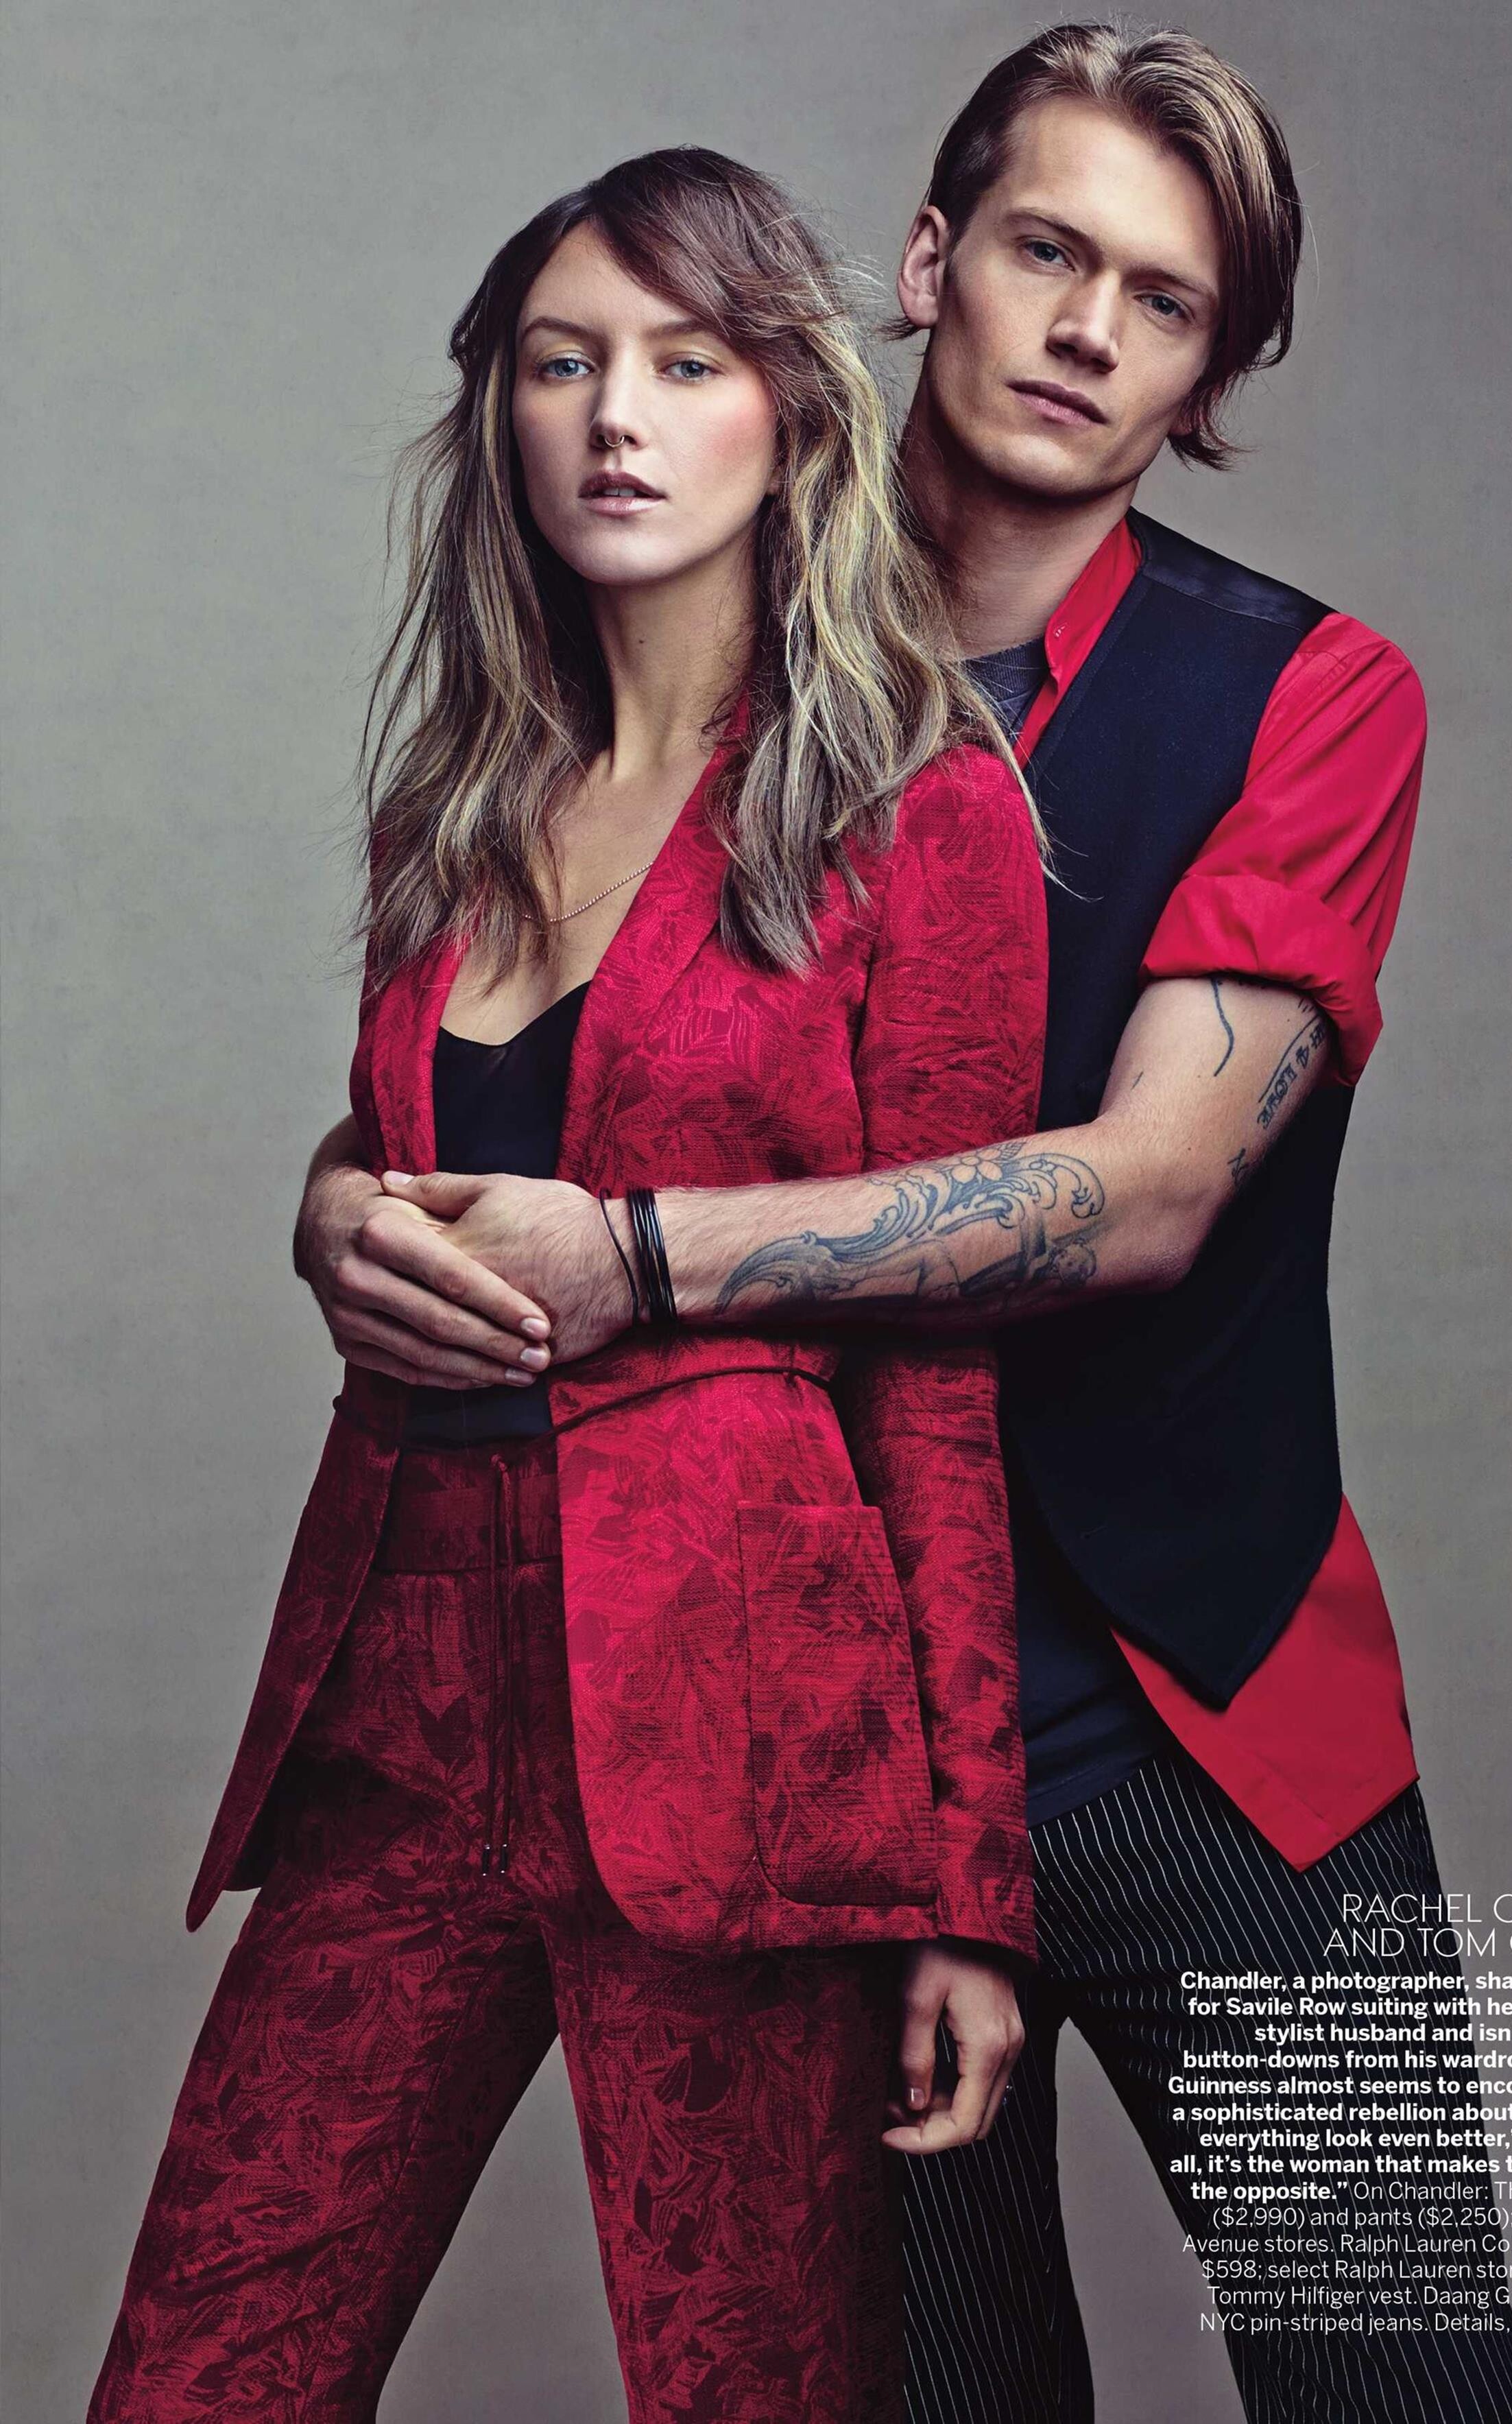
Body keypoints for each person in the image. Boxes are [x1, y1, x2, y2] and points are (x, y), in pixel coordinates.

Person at [295, 26, 1512, 2424]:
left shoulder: (1309, 694)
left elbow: (1150, 1191)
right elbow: (483, 1069)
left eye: (1164, 304)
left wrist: (644, 1258)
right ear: (931, 262)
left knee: (1414, 2395)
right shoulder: (673, 649)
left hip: (1223, 1725)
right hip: (826, 1743)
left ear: (1208, 376)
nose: (1085, 331)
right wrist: (342, 1200)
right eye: (1049, 252)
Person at [88, 147, 1049, 2424]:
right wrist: (334, 1198)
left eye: (687, 362)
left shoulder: (919, 812)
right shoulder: (458, 807)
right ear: (502, 414)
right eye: (562, 363)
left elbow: (937, 1371)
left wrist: (970, 1886)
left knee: (755, 2389)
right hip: (405, 1685)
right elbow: (436, 1156)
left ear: (791, 416)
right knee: (203, 2376)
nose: (618, 415)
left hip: (739, 1716)